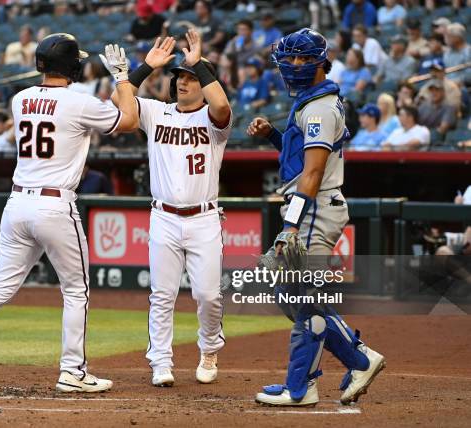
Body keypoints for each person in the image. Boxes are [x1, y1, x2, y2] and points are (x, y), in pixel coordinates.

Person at [0, 33, 139, 393]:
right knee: (76, 290)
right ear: (74, 66)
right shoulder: (79, 101)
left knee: (0, 286)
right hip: (55, 205)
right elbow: (128, 120)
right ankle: (73, 370)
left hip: (17, 203)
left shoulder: (19, 99)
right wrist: (123, 77)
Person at [247, 28, 384, 407]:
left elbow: (313, 173)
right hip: (315, 206)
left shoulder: (320, 107)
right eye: (289, 58)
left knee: (302, 297)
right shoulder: (312, 101)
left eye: (303, 58)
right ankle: (356, 360)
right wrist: (275, 135)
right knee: (291, 293)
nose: (294, 65)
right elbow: (301, 160)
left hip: (314, 208)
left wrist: (291, 224)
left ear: (322, 62)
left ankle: (302, 386)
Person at [108, 31, 231, 387]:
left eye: (191, 79)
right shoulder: (156, 112)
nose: (183, 83)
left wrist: (200, 65)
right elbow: (121, 99)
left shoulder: (214, 120)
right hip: (163, 215)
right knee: (162, 295)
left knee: (208, 295)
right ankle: (160, 361)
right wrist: (145, 67)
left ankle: (209, 347)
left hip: (204, 217)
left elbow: (222, 107)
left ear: (205, 84)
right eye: (180, 78)